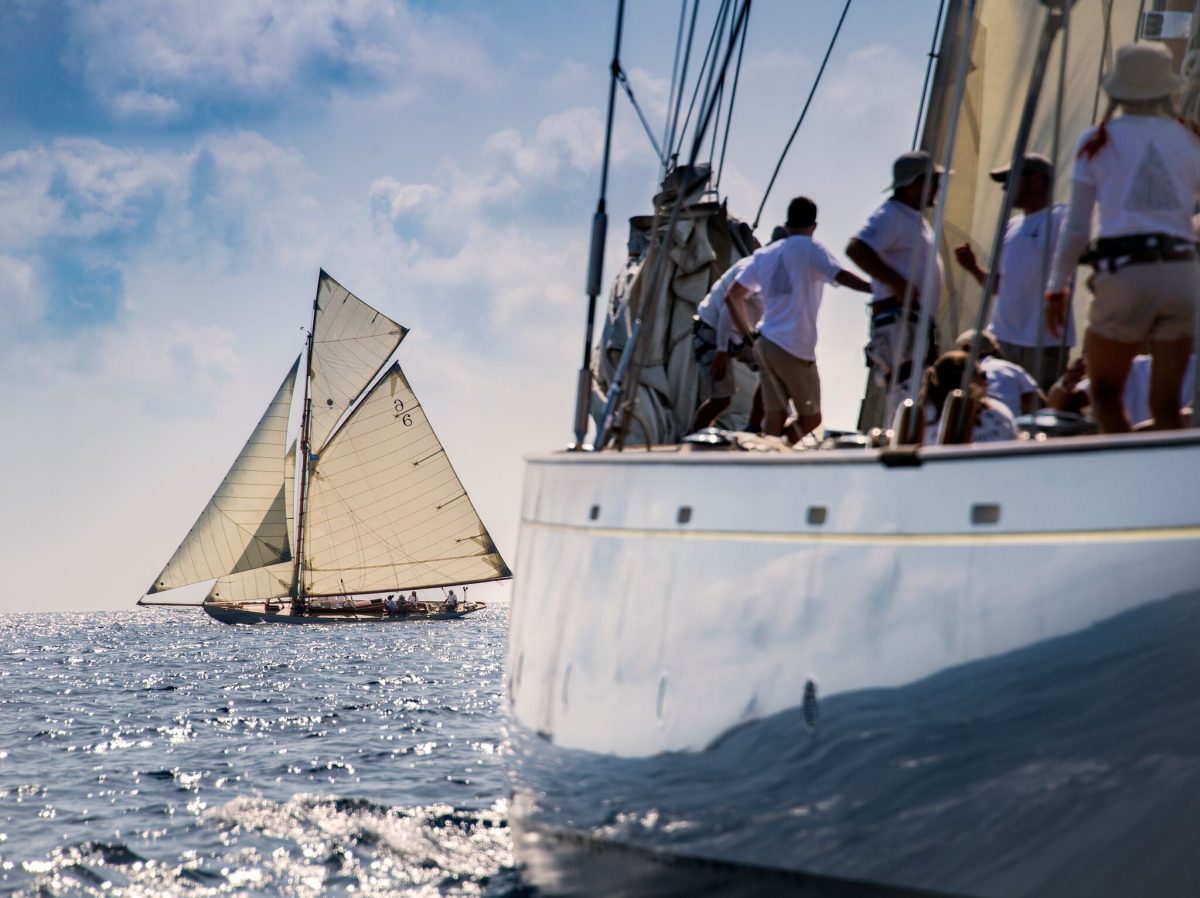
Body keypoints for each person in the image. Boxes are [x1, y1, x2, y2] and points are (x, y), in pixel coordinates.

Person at [1046, 42, 1200, 433]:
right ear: (1167, 88)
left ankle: (1126, 458)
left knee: (1105, 395)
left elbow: (1077, 227)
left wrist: (1057, 289)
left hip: (1126, 273)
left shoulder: (1097, 141)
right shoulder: (1189, 140)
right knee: (1167, 406)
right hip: (1183, 275)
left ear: (1118, 89)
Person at [726, 196, 871, 440]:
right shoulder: (811, 249)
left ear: (787, 224)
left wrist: (747, 334)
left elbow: (732, 296)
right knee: (811, 419)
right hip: (794, 347)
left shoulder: (764, 255)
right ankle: (781, 447)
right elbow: (841, 276)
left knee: (775, 416)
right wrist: (877, 288)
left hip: (765, 344)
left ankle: (769, 453)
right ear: (813, 226)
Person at [954, 153, 1073, 390]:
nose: (1005, 188)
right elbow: (998, 285)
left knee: (1038, 407)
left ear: (1037, 180)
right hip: (1002, 341)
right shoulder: (1010, 227)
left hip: (1044, 342)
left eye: (1010, 179)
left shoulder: (1062, 218)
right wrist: (973, 268)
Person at [846, 150, 946, 426]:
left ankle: (905, 439)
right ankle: (899, 443)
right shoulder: (892, 215)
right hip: (900, 322)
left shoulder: (912, 218)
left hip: (912, 323)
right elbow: (856, 248)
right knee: (905, 391)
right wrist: (898, 283)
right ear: (914, 184)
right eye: (934, 181)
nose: (937, 188)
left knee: (914, 391)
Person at [689, 255, 763, 432]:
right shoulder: (755, 269)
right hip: (713, 332)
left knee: (773, 372)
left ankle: (753, 429)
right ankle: (693, 438)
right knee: (721, 399)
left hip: (742, 335)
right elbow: (727, 310)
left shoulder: (782, 275)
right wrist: (721, 352)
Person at [920, 351, 1018, 445]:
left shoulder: (920, 414)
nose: (987, 381)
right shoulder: (922, 415)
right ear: (965, 378)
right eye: (983, 375)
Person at [954, 329, 1041, 416]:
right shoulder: (1011, 369)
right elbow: (1039, 404)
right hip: (1009, 422)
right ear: (996, 349)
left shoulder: (958, 373)